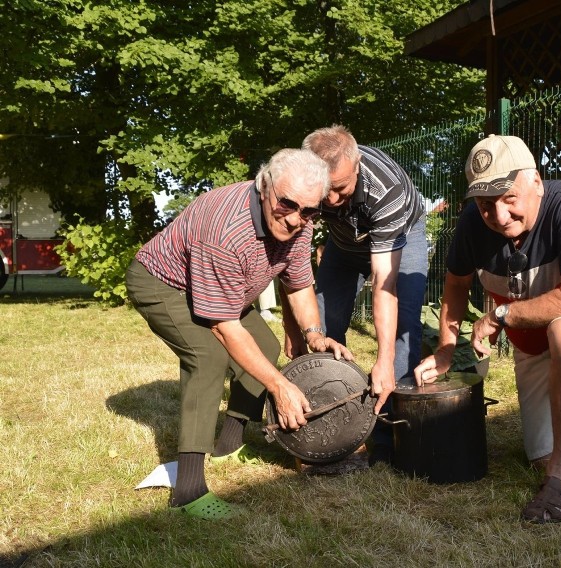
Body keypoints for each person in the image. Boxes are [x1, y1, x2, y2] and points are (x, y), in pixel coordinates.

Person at [126, 148, 352, 520]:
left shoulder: (302, 220)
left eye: (309, 210)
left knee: (264, 344)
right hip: (163, 283)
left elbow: (297, 284)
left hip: (223, 288)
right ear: (265, 187)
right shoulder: (225, 229)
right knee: (208, 357)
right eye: (287, 205)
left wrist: (314, 334)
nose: (296, 219)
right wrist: (279, 387)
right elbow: (223, 327)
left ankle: (228, 445)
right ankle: (189, 490)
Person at [414, 135, 561, 523]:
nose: (498, 216)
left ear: (537, 183)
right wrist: (446, 348)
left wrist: (499, 316)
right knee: (537, 455)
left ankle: (559, 483)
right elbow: (456, 285)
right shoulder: (470, 225)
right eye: (484, 204)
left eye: (509, 198)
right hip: (530, 345)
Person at [294, 125, 428, 466]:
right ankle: (322, 433)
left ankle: (387, 440)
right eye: (325, 192)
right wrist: (291, 328)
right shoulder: (302, 181)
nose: (332, 201)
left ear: (356, 166)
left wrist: (383, 360)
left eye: (339, 189)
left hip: (402, 236)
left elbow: (385, 283)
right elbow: (291, 266)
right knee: (321, 327)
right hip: (343, 243)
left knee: (404, 331)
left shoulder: (387, 190)